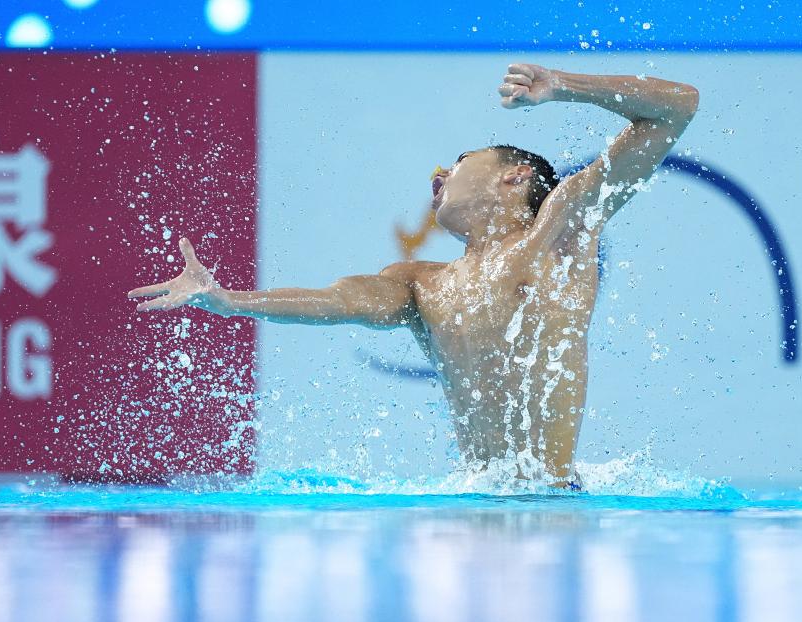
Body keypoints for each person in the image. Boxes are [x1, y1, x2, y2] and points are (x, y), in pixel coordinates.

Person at [128, 63, 699, 489]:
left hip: (557, 503)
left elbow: (678, 107)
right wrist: (228, 299)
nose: (440, 171)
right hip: (475, 499)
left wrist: (563, 85)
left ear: (515, 177)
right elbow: (338, 299)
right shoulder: (422, 282)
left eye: (460, 161)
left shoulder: (561, 231)